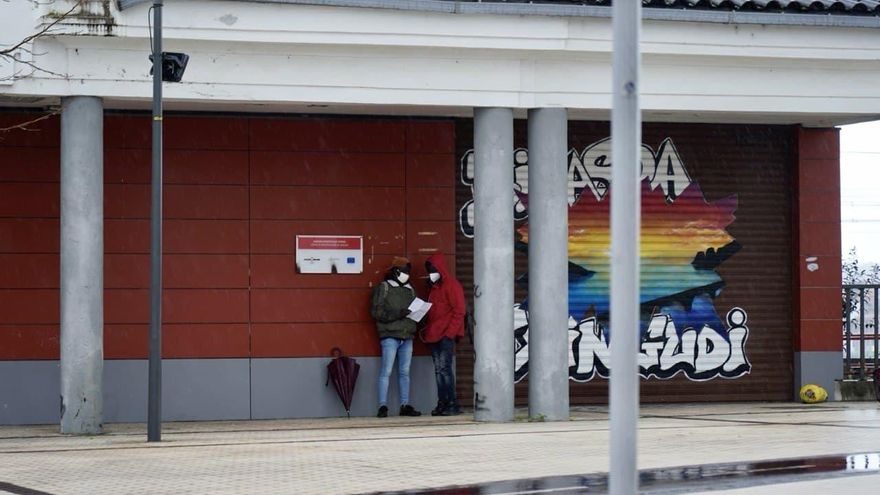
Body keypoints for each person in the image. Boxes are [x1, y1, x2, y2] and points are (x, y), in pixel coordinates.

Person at [370, 257, 422, 418]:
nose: (407, 275)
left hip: (406, 336)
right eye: (404, 271)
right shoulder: (384, 288)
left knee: (403, 372)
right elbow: (376, 313)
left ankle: (404, 405)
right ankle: (382, 406)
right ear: (396, 271)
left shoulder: (410, 290)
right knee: (387, 371)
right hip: (391, 336)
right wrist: (399, 314)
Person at [421, 253, 465, 416]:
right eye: (429, 270)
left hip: (445, 335)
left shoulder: (452, 285)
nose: (430, 273)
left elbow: (459, 311)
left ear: (440, 268)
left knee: (444, 369)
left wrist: (450, 334)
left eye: (432, 269)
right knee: (439, 370)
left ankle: (451, 403)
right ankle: (443, 402)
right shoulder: (434, 288)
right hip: (434, 335)